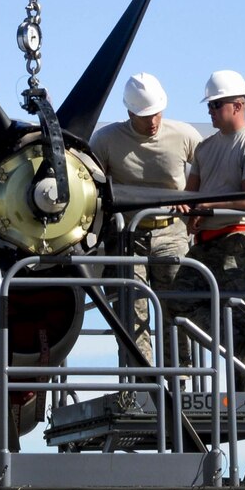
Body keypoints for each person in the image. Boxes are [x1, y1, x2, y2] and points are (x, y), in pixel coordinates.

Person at [89, 71, 200, 366]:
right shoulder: (106, 140)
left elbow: (207, 169)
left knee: (177, 311)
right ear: (129, 112)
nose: (152, 121)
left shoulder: (184, 135)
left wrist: (191, 197)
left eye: (156, 113)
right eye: (144, 115)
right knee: (131, 312)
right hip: (128, 236)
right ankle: (143, 386)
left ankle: (179, 383)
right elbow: (90, 184)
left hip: (171, 233)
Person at [177, 69, 245, 382]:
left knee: (239, 310)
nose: (211, 112)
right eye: (210, 106)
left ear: (239, 105)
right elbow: (191, 194)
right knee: (179, 300)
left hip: (239, 239)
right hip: (207, 241)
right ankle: (243, 348)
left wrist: (209, 206)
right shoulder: (205, 149)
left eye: (216, 105)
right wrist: (187, 209)